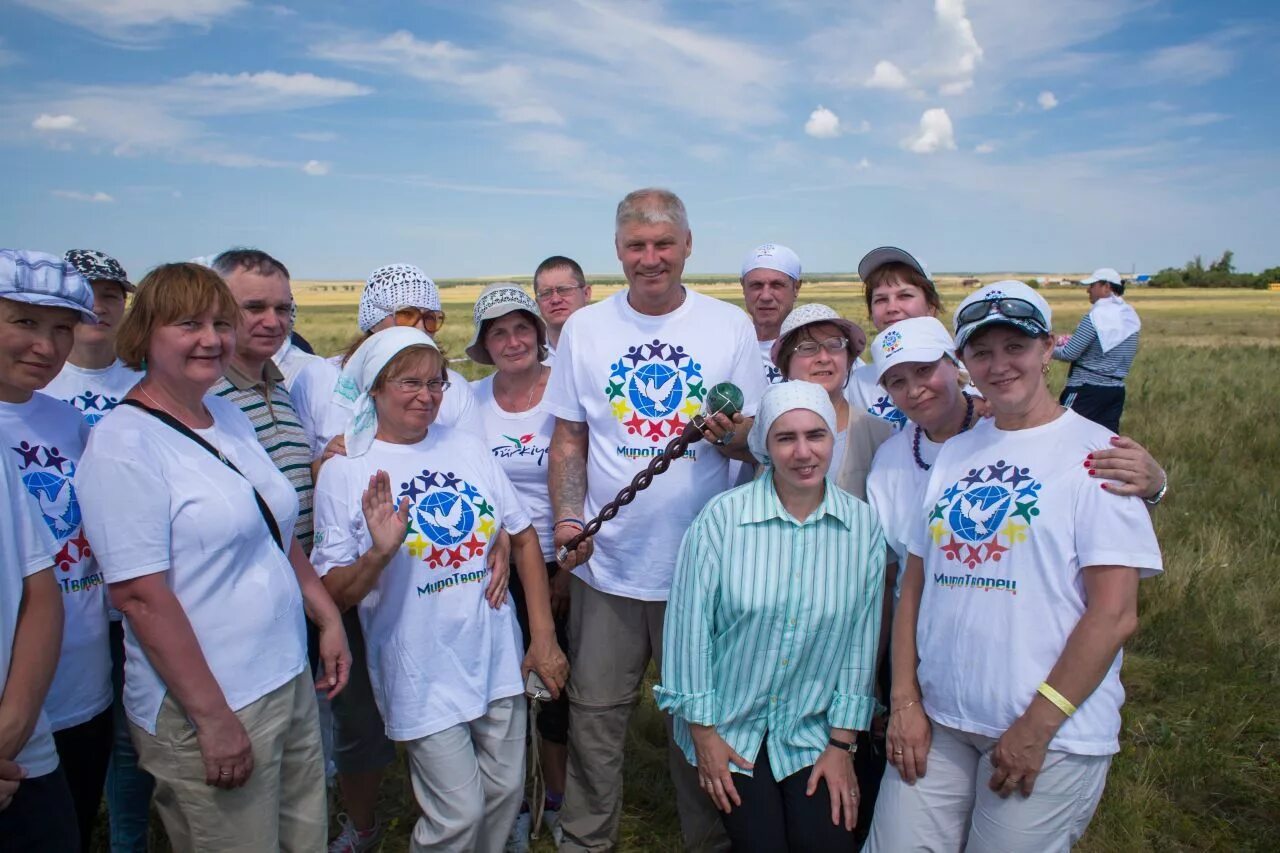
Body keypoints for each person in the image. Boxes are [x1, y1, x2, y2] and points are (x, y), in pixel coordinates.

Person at [866, 281, 1163, 850]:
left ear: (1048, 349)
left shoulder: (1099, 455)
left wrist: (1037, 726)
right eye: (983, 351)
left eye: (1015, 347)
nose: (1000, 365)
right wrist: (904, 700)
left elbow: (1114, 614)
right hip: (941, 722)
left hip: (1048, 734)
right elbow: (915, 587)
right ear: (966, 362)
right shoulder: (955, 454)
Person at [76, 262, 350, 851]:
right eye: (188, 323)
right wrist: (213, 721)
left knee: (304, 837)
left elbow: (274, 526)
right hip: (210, 702)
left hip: (284, 676)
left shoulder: (225, 414)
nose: (212, 338)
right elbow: (140, 598)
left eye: (221, 323)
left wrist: (326, 617)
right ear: (145, 332)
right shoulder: (123, 445)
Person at [545, 187, 767, 852]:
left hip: (701, 566)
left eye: (663, 244)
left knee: (699, 714)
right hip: (609, 564)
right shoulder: (585, 329)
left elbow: (751, 443)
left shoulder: (727, 327)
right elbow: (568, 440)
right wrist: (565, 519)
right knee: (595, 713)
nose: (650, 258)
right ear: (618, 251)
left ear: (688, 245)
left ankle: (709, 837)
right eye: (636, 246)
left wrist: (726, 434)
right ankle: (586, 837)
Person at [311, 327, 568, 853]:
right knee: (457, 815)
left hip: (493, 655)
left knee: (502, 795)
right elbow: (332, 595)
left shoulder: (467, 449)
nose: (426, 396)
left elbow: (521, 537)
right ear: (375, 389)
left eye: (436, 383)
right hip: (419, 668)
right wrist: (379, 552)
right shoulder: (345, 472)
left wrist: (542, 638)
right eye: (409, 383)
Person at [655, 380, 885, 852]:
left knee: (828, 844)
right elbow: (689, 631)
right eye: (786, 438)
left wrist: (841, 747)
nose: (803, 452)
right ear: (764, 445)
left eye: (815, 435)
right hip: (732, 727)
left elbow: (861, 644)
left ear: (833, 441)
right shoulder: (721, 519)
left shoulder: (862, 526)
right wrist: (705, 735)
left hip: (812, 729)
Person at [855, 247, 1166, 502]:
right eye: (880, 299)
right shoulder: (857, 381)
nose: (999, 366)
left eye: (905, 295)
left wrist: (1155, 488)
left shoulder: (992, 400)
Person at [0, 250, 112, 851]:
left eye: (61, 328)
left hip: (81, 683)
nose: (46, 346)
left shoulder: (69, 422)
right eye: (24, 322)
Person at [465, 284, 571, 850]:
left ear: (538, 334)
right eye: (498, 332)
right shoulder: (468, 401)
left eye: (521, 328)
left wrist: (568, 570)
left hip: (567, 558)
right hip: (496, 566)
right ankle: (512, 798)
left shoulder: (567, 393)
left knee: (555, 687)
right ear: (485, 343)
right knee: (504, 687)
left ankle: (555, 795)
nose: (512, 341)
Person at [210, 248, 316, 555]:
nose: (273, 322)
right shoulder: (204, 397)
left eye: (282, 308)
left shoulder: (281, 389)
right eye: (255, 308)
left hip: (301, 586)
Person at [771, 303, 881, 485]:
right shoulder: (768, 430)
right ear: (786, 364)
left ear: (849, 360)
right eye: (807, 347)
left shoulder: (878, 433)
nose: (823, 358)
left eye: (835, 345)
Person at [1053, 268, 1142, 433]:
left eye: (1092, 285)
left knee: (1064, 435)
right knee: (1104, 443)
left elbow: (1069, 353)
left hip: (1085, 389)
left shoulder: (1096, 316)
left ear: (1106, 287)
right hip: (1115, 391)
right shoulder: (1130, 317)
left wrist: (1045, 349)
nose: (1088, 290)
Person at [740, 243, 803, 385]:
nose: (765, 296)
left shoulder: (818, 350)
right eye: (756, 285)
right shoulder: (729, 345)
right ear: (743, 287)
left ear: (796, 288)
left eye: (777, 285)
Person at [533, 255, 592, 361]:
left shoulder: (610, 344)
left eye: (564, 289)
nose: (555, 300)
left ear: (586, 294)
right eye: (546, 293)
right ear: (537, 303)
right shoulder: (531, 360)